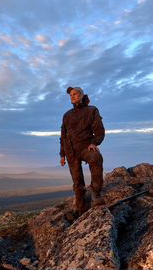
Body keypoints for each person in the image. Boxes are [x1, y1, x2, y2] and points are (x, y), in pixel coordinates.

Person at [59, 86, 105, 215]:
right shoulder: (67, 115)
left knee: (96, 158)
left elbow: (99, 130)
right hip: (70, 151)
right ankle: (80, 206)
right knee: (77, 179)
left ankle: (95, 193)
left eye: (75, 94)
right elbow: (63, 136)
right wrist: (62, 154)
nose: (72, 96)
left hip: (85, 147)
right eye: (70, 95)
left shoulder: (92, 110)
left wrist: (94, 143)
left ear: (82, 95)